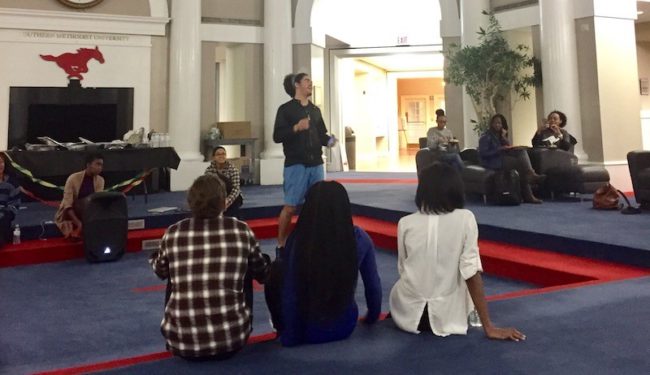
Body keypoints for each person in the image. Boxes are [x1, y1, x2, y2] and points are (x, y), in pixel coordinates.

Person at [390, 162, 526, 341]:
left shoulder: (405, 223)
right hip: (447, 317)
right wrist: (489, 327)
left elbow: (403, 267)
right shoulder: (465, 218)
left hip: (407, 315)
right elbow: (471, 271)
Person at [149, 175, 270, 361]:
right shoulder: (240, 229)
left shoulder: (174, 232)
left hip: (181, 343)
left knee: (173, 273)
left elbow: (160, 272)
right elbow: (261, 272)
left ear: (190, 202)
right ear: (224, 202)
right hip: (232, 341)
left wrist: (155, 258)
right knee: (246, 268)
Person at [264, 181, 382, 347]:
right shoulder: (359, 237)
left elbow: (291, 291)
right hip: (345, 325)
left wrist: (290, 335)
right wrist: (373, 317)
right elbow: (373, 286)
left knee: (275, 272)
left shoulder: (299, 239)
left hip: (305, 328)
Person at [273, 72, 337, 251]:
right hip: (296, 164)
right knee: (291, 207)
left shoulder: (315, 110)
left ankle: (314, 242)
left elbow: (322, 135)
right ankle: (281, 245)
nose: (311, 83)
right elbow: (277, 136)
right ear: (297, 85)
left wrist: (331, 141)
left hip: (316, 164)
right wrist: (296, 127)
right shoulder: (285, 110)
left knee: (317, 206)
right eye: (307, 81)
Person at [478, 114, 545, 204]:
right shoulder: (486, 136)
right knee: (520, 166)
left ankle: (530, 174)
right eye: (495, 123)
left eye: (499, 123)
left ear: (503, 125)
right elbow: (483, 153)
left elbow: (507, 146)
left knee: (522, 151)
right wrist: (499, 149)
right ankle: (529, 193)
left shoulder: (500, 136)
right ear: (491, 124)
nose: (497, 125)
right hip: (491, 161)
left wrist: (504, 137)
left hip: (502, 158)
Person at [54, 152, 104, 239]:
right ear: (88, 165)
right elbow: (67, 205)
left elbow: (97, 202)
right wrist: (79, 224)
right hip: (71, 212)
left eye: (101, 165)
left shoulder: (100, 180)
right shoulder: (73, 178)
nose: (100, 168)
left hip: (89, 212)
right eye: (98, 164)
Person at [204, 146, 243, 218]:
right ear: (213, 157)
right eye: (218, 154)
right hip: (216, 196)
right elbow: (207, 188)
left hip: (232, 197)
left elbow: (236, 189)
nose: (221, 156)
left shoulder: (233, 169)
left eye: (223, 154)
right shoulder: (209, 170)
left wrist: (227, 201)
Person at [0, 154, 21, 246]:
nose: (0, 165)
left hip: (4, 215)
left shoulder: (12, 183)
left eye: (1, 162)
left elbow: (14, 207)